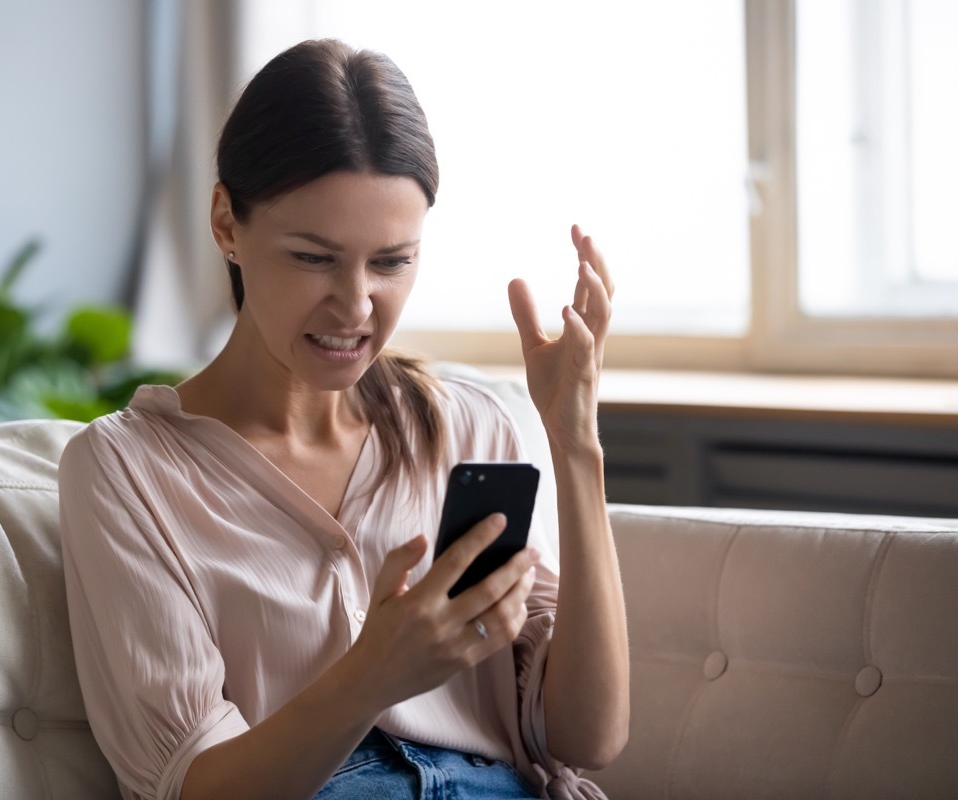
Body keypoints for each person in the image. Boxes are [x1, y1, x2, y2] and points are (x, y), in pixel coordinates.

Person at [58, 38, 628, 800]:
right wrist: (373, 675)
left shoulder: (474, 427)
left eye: (391, 262)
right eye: (313, 258)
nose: (356, 307)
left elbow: (590, 737)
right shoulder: (128, 471)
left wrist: (576, 444)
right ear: (227, 223)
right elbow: (196, 787)